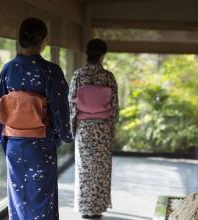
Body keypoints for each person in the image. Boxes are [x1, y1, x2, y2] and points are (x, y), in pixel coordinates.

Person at [0, 17, 73, 220]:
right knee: (42, 199)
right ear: (43, 41)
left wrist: (6, 140)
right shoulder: (50, 71)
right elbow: (61, 112)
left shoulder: (8, 70)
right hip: (41, 145)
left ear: (20, 39)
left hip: (14, 146)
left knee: (18, 200)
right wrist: (64, 136)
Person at [69, 39, 119, 219]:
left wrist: (74, 128)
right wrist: (111, 127)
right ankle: (97, 208)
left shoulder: (78, 75)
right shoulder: (108, 77)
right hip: (103, 129)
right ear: (103, 55)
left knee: (85, 168)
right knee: (101, 169)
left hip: (84, 128)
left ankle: (85, 208)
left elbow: (72, 105)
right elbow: (114, 106)